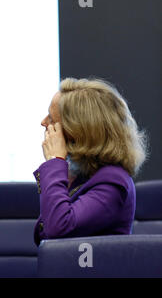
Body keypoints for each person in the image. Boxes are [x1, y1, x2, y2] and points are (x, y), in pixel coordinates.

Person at [34, 77, 147, 245]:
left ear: (76, 130)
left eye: (51, 118)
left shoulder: (113, 182)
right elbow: (42, 233)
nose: (43, 122)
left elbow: (57, 228)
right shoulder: (83, 175)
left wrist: (55, 161)